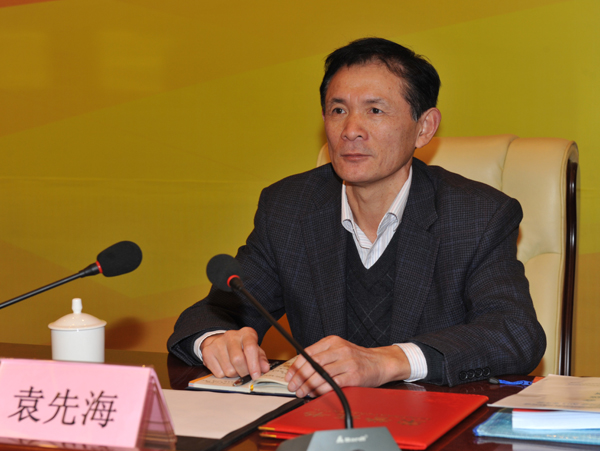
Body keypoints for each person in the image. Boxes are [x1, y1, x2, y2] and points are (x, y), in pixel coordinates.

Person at [168, 37, 546, 397]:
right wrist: (216, 340)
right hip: (321, 423)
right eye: (338, 111)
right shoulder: (289, 207)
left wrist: (390, 361)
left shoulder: (477, 215)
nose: (351, 131)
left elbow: (513, 333)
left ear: (424, 127)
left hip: (430, 420)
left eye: (375, 110)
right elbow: (214, 312)